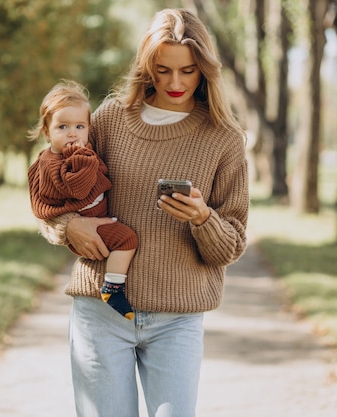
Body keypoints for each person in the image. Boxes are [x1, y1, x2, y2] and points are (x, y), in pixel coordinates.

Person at [37, 9, 249, 417]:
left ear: (204, 70)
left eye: (187, 71)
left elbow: (232, 244)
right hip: (100, 313)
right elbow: (51, 188)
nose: (174, 83)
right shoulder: (112, 120)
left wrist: (203, 218)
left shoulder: (224, 139)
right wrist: (69, 227)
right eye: (162, 69)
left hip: (177, 319)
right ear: (147, 66)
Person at [27, 80, 138, 320]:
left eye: (79, 126)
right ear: (47, 132)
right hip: (88, 222)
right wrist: (83, 158)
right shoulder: (54, 162)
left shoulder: (72, 155)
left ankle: (113, 285)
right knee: (127, 239)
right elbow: (79, 188)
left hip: (94, 215)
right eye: (62, 127)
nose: (72, 134)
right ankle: (113, 288)